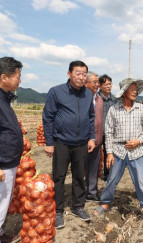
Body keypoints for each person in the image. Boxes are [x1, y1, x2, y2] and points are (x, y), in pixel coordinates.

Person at [93, 78, 143, 221]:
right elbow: (108, 132)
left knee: (141, 180)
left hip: (137, 151)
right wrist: (109, 152)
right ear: (124, 92)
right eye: (132, 89)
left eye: (136, 89)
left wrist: (138, 140)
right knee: (112, 178)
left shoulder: (141, 108)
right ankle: (105, 203)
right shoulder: (114, 109)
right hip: (118, 150)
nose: (135, 91)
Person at [43, 60, 95, 229]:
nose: (81, 77)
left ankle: (78, 206)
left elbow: (91, 117)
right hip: (61, 142)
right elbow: (48, 117)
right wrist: (49, 142)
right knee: (59, 177)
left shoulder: (88, 94)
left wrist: (92, 138)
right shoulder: (56, 92)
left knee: (79, 176)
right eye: (78, 73)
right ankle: (58, 211)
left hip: (81, 143)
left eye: (84, 74)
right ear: (69, 74)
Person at [0, 57, 23, 243]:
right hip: (2, 165)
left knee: (3, 202)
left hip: (8, 161)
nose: (20, 80)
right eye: (17, 76)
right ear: (4, 77)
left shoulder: (4, 98)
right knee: (1, 204)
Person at [85, 72, 103, 202]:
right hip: (83, 140)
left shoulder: (99, 99)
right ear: (86, 83)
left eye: (98, 82)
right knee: (80, 168)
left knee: (93, 167)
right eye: (95, 82)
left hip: (97, 140)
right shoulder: (81, 97)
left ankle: (91, 193)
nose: (97, 84)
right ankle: (80, 194)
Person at [97, 74, 117, 181]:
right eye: (106, 84)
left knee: (108, 153)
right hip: (97, 132)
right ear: (100, 86)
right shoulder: (95, 99)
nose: (109, 86)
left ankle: (107, 174)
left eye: (110, 84)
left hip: (109, 132)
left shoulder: (114, 99)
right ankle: (93, 174)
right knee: (95, 155)